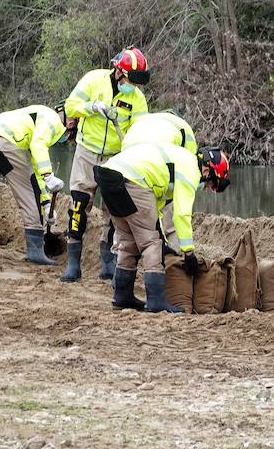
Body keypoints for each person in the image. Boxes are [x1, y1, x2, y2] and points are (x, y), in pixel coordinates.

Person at [56, 109, 196, 282]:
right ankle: (170, 267)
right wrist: (187, 250)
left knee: (123, 225)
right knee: (152, 235)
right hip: (149, 168)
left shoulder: (141, 123)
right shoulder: (184, 130)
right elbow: (187, 163)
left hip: (123, 162)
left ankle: (116, 275)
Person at [94, 142, 230, 312]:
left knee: (128, 240)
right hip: (133, 180)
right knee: (151, 242)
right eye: (212, 184)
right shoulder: (190, 171)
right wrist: (189, 252)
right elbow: (181, 215)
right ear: (207, 171)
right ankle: (156, 301)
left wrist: (164, 238)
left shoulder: (180, 159)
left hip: (107, 175)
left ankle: (122, 296)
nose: (207, 188)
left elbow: (156, 206)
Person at [59, 47, 150, 283]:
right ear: (119, 71)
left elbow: (140, 133)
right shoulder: (93, 79)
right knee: (79, 205)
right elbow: (70, 105)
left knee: (113, 212)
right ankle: (73, 263)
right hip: (86, 151)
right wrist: (91, 108)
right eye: (131, 79)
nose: (134, 85)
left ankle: (108, 263)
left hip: (116, 158)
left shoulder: (137, 99)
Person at [0, 104, 67, 265]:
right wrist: (48, 176)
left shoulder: (29, 116)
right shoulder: (53, 120)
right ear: (69, 123)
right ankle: (35, 250)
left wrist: (47, 203)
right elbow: (38, 146)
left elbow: (35, 169)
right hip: (3, 143)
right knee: (29, 192)